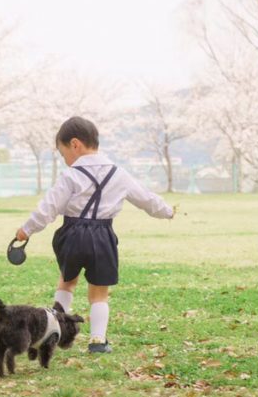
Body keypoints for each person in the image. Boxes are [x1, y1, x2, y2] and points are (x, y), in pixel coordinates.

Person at [15, 116, 176, 354]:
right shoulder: (119, 173)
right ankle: (98, 341)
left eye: (63, 153)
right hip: (103, 236)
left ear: (75, 144)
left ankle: (53, 331)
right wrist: (167, 211)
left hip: (72, 233)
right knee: (99, 292)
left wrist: (26, 229)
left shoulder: (70, 176)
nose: (65, 160)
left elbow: (48, 207)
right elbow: (146, 199)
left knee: (67, 282)